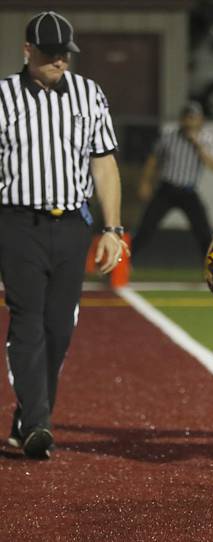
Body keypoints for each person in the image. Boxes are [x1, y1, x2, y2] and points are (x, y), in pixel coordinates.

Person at [1, 11, 127, 459]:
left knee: (60, 328)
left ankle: (27, 418)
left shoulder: (89, 94)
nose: (60, 62)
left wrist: (112, 228)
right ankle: (37, 422)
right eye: (51, 54)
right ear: (27, 50)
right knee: (29, 320)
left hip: (73, 223)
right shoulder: (3, 97)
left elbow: (104, 162)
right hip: (18, 223)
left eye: (65, 54)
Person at [131, 102, 213, 261]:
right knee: (145, 229)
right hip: (166, 189)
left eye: (193, 118)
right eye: (187, 118)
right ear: (181, 119)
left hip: (188, 191)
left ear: (200, 120)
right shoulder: (169, 137)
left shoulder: (207, 139)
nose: (189, 122)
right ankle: (122, 265)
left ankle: (211, 271)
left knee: (203, 233)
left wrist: (197, 145)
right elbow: (153, 161)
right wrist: (145, 183)